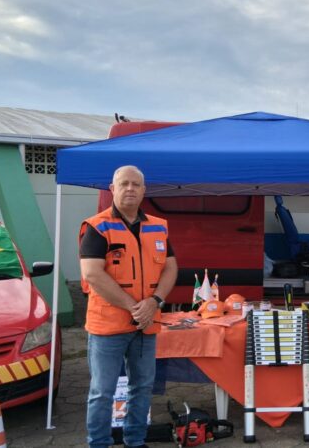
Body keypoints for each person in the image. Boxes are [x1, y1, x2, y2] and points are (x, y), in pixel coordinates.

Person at [79, 165, 178, 448]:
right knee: (102, 391)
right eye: (124, 184)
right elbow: (92, 274)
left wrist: (155, 301)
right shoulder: (98, 227)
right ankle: (99, 443)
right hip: (108, 325)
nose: (130, 189)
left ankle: (136, 441)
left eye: (136, 184)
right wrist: (136, 307)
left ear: (144, 191)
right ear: (112, 189)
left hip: (147, 324)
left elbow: (171, 268)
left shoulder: (158, 226)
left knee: (142, 387)